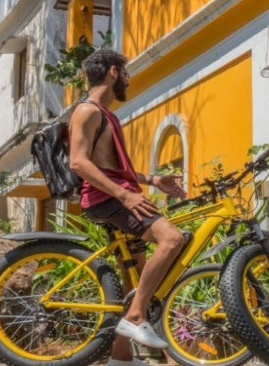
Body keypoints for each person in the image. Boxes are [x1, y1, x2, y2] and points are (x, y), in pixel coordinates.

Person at [68, 48, 187, 366]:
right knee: (172, 239)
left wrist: (153, 179)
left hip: (117, 196)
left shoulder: (107, 115)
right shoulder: (87, 111)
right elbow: (78, 162)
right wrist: (125, 196)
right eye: (126, 73)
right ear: (112, 72)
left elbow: (112, 167)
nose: (128, 80)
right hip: (107, 200)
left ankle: (120, 359)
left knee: (132, 281)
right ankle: (135, 318)